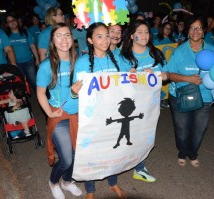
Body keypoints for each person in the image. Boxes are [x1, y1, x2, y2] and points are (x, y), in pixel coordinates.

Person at [72, 22, 127, 199]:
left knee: (112, 150)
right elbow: (75, 95)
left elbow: (130, 81)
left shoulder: (117, 59)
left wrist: (142, 74)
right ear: (90, 40)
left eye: (106, 35)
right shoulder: (82, 63)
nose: (105, 40)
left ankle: (113, 183)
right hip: (92, 118)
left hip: (113, 115)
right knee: (92, 153)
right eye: (99, 36)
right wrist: (74, 92)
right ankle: (90, 190)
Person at [36, 23, 82, 199]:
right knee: (67, 158)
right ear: (52, 41)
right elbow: (40, 92)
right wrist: (49, 112)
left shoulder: (80, 62)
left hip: (78, 115)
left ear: (72, 38)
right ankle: (54, 182)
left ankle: (67, 181)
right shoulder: (46, 66)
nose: (64, 39)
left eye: (67, 35)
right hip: (60, 116)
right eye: (59, 36)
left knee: (77, 154)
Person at [120, 19, 168, 183]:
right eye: (139, 32)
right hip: (131, 106)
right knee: (130, 136)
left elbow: (166, 74)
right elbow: (117, 83)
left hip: (151, 105)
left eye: (146, 32)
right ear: (132, 35)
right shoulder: (124, 57)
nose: (144, 35)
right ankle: (135, 167)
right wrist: (129, 75)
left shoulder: (156, 53)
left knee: (144, 136)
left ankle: (138, 167)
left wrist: (161, 76)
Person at [166, 15, 214, 168]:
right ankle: (182, 152)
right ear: (188, 31)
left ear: (204, 31)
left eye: (199, 28)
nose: (195, 31)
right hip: (181, 96)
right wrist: (188, 79)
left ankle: (193, 153)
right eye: (192, 28)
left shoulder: (212, 50)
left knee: (199, 129)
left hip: (205, 96)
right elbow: (169, 74)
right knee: (182, 128)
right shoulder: (180, 51)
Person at [5, 13, 39, 93]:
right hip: (16, 64)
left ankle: (41, 97)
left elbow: (32, 46)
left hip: (29, 61)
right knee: (20, 83)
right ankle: (24, 101)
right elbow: (5, 51)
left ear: (17, 21)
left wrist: (37, 59)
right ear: (7, 24)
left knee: (33, 81)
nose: (12, 22)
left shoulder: (25, 32)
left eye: (13, 20)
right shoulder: (6, 35)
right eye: (9, 21)